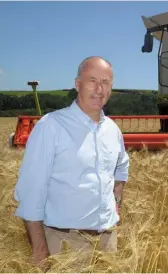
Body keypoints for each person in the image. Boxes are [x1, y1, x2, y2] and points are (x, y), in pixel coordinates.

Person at [13, 56, 130, 269]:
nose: (99, 89)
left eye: (105, 82)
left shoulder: (113, 130)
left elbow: (122, 167)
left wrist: (117, 205)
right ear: (77, 84)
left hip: (107, 241)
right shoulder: (51, 126)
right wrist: (40, 251)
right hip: (65, 243)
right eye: (92, 80)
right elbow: (31, 193)